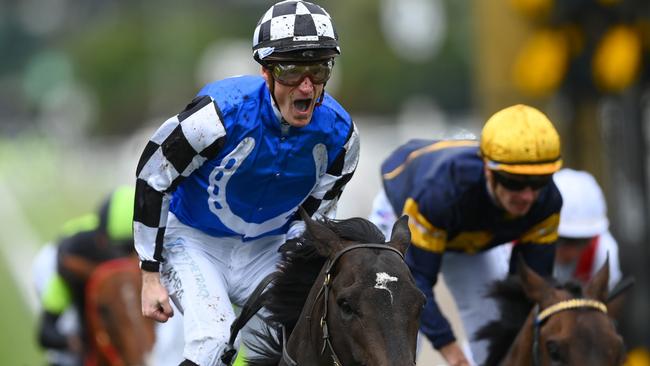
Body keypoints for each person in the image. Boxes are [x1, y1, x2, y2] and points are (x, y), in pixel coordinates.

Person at [133, 1, 358, 365]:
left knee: (302, 345)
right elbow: (153, 176)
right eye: (291, 70)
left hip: (267, 249)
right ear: (266, 72)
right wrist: (149, 273)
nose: (306, 85)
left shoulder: (342, 136)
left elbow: (312, 221)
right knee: (214, 340)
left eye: (317, 69)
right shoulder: (217, 114)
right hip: (193, 240)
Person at [368, 104, 563, 366]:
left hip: (468, 229)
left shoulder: (548, 202)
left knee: (493, 322)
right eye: (514, 182)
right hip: (404, 214)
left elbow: (526, 291)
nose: (527, 196)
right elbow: (414, 282)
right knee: (398, 326)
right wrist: (451, 351)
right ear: (488, 171)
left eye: (539, 182)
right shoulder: (441, 193)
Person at [34, 186, 137, 365]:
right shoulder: (72, 262)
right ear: (102, 241)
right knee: (75, 332)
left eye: (133, 250)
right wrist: (77, 341)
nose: (129, 259)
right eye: (123, 250)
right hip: (54, 262)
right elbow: (45, 333)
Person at [552, 168, 622, 290]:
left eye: (580, 242)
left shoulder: (604, 252)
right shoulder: (517, 247)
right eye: (562, 240)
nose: (571, 252)